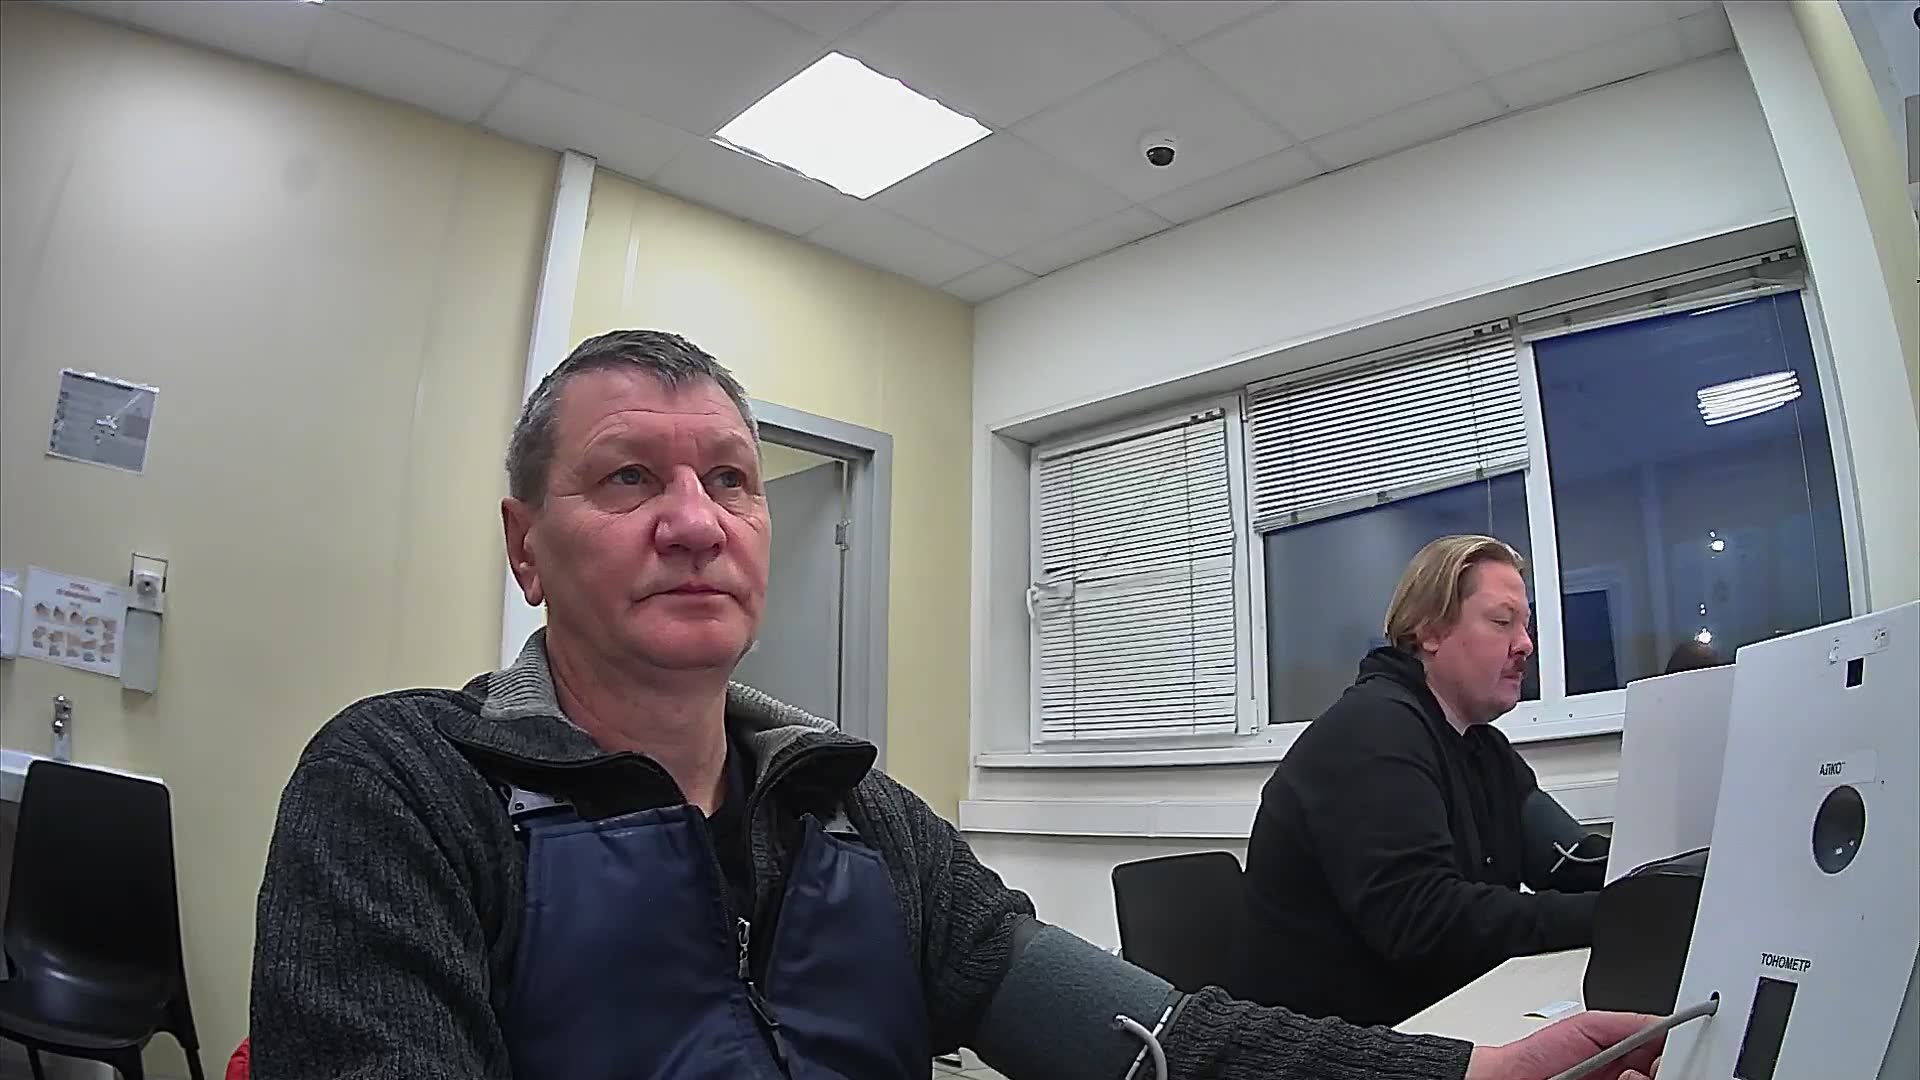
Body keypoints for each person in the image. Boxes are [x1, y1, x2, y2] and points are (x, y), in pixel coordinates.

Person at [250, 333, 1658, 1080]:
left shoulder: (863, 819)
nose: (696, 520)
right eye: (629, 478)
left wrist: (1470, 1074)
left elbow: (1151, 1039)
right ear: (525, 547)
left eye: (731, 478)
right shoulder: (404, 786)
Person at [1241, 535, 1613, 1028]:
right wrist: (1621, 917)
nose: (1525, 644)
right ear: (1431, 632)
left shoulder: (1483, 748)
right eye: (1502, 621)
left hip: (1432, 1016)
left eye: (1525, 625)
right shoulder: (1372, 732)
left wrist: (1664, 886)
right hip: (1332, 1043)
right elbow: (1425, 922)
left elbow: (1571, 858)